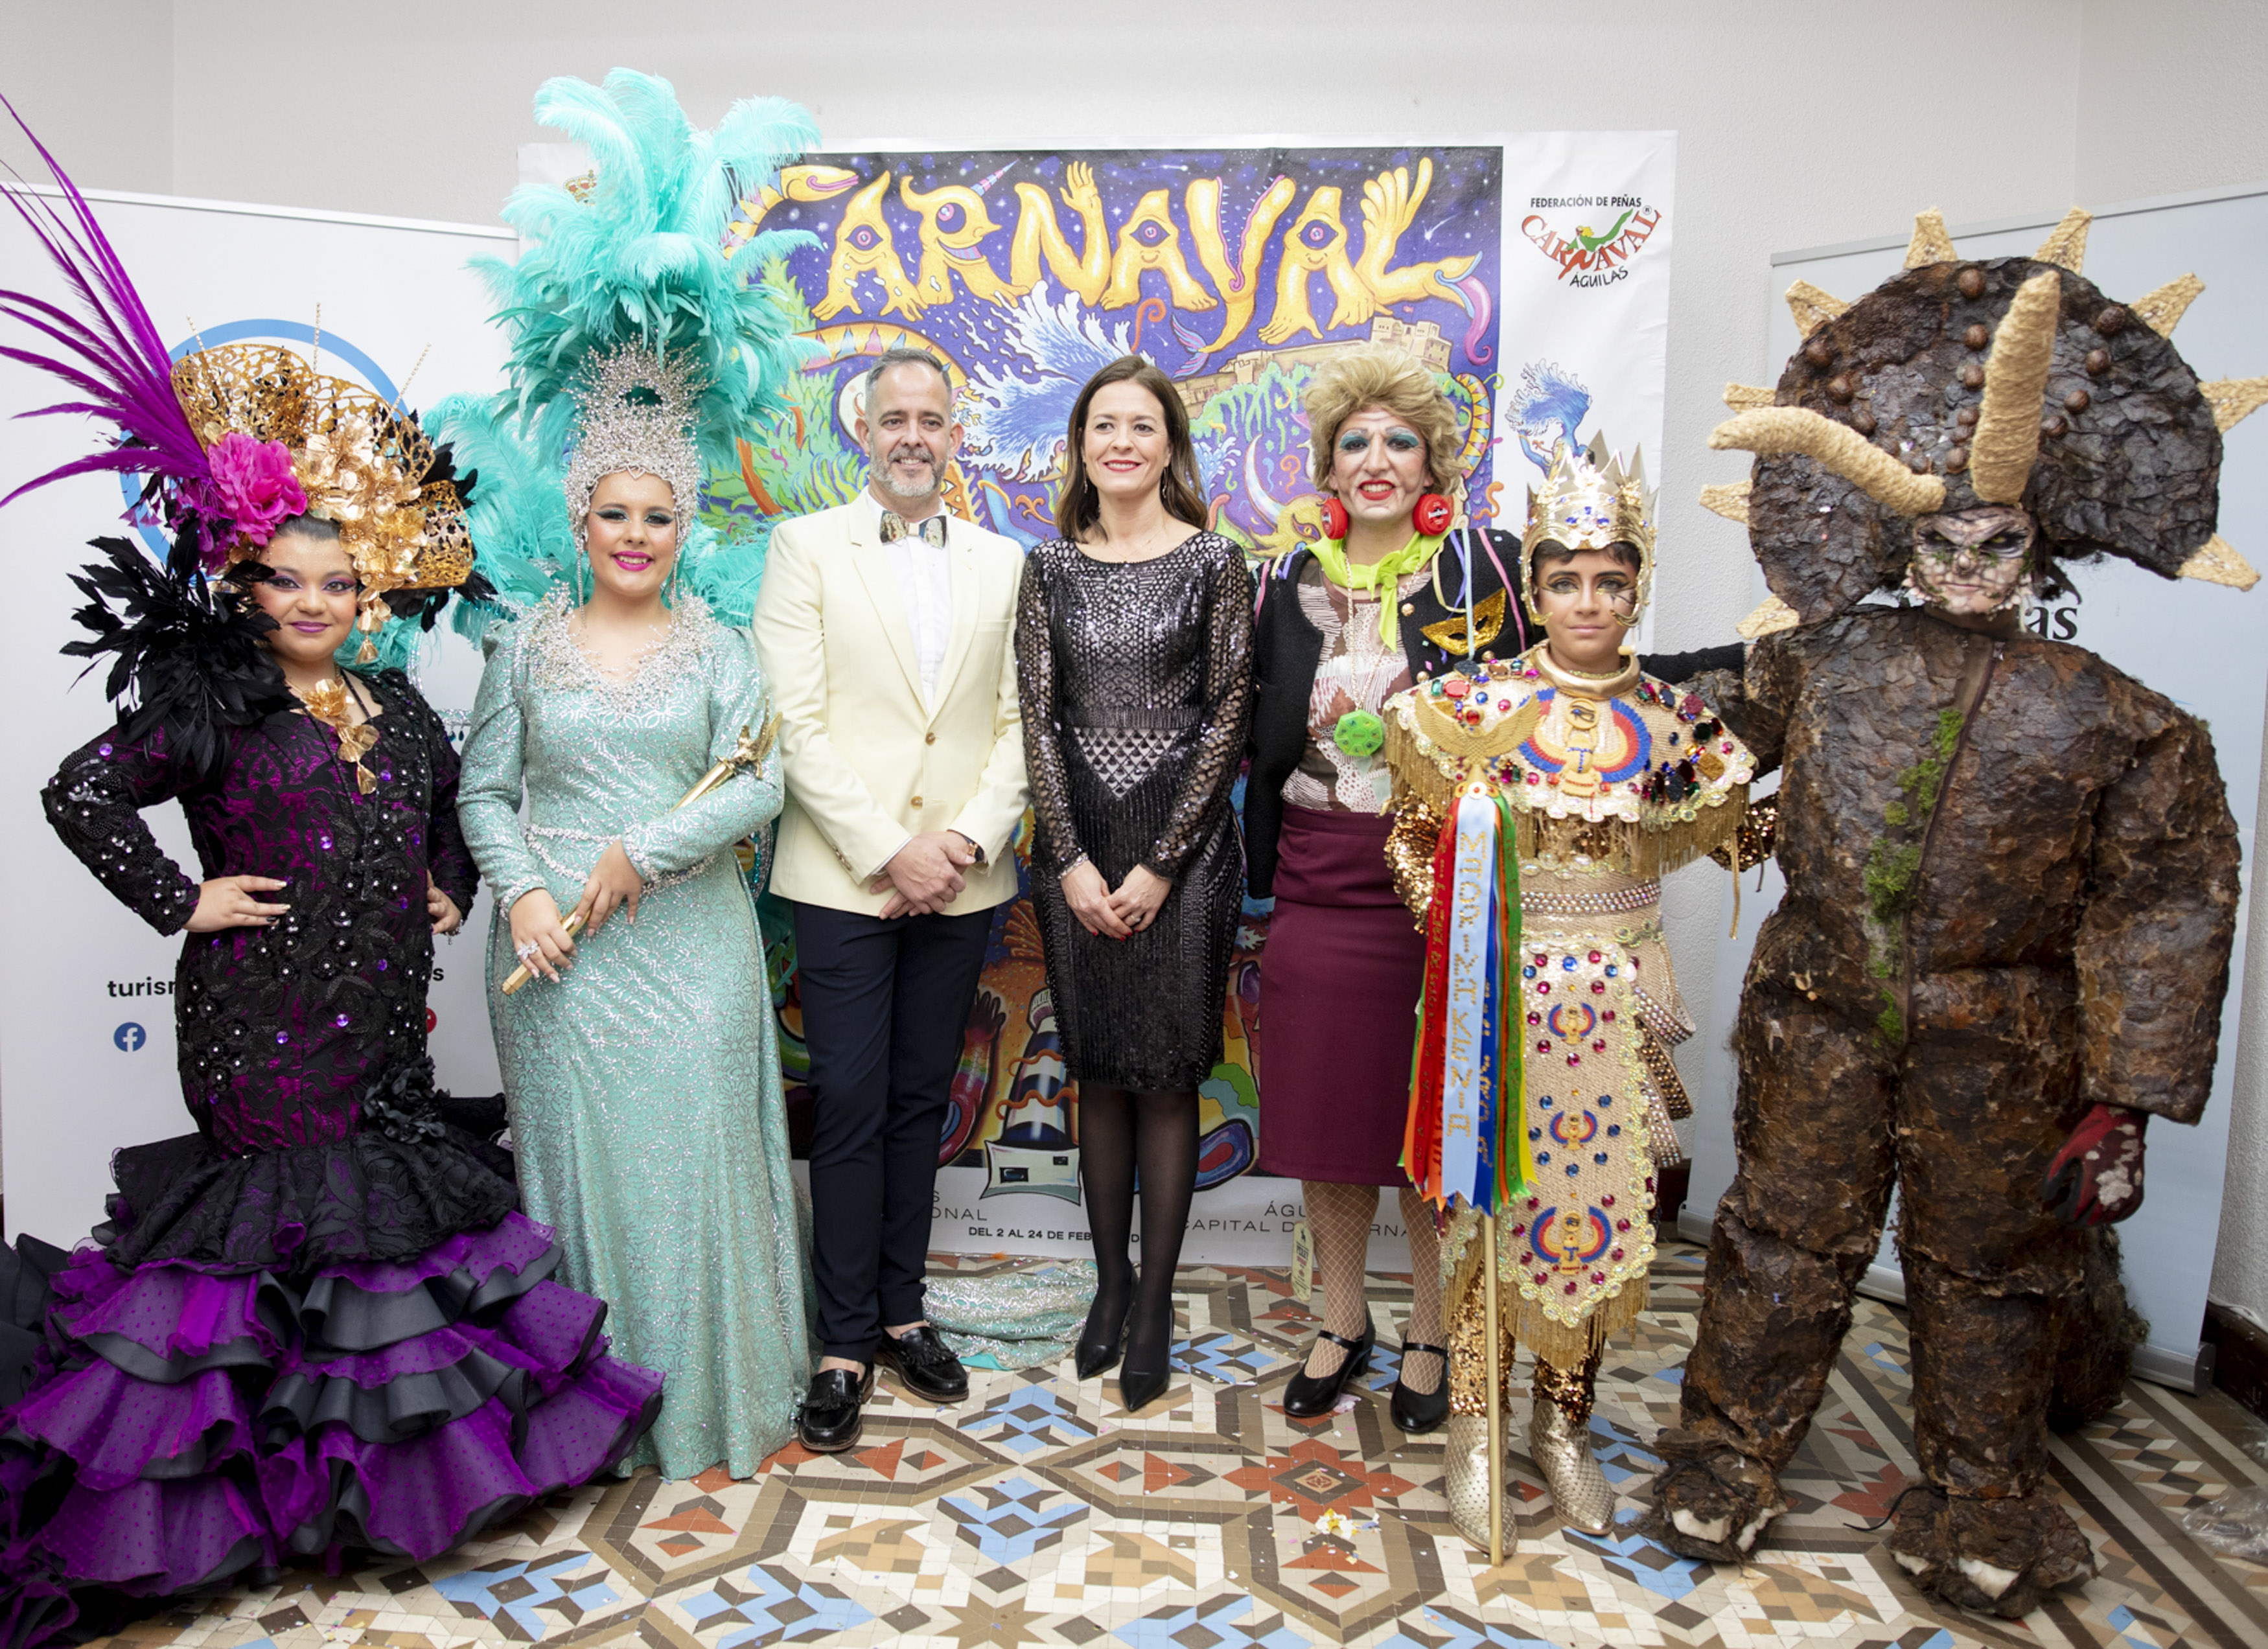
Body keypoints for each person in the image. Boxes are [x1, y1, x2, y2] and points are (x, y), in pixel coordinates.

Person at [0, 125, 658, 1637]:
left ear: (367, 596)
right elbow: (80, 790)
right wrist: (180, 899)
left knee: (381, 1238)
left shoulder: (400, 703)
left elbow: (448, 808)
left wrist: (447, 886)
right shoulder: (209, 702)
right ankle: (253, 1503)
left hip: (377, 1017)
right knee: (280, 1242)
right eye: (287, 581)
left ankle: (388, 1488)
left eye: (338, 583)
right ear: (247, 588)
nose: (314, 601)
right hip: (256, 1022)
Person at [1649, 214, 2251, 1618]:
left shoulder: (2118, 718)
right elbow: (1678, 732)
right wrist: (1538, 700)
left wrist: (2124, 1098)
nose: (1972, 559)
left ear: (2041, 543)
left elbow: (2165, 902)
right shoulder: (1818, 663)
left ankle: (1985, 1492)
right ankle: (1725, 1453)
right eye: (1944, 535)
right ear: (1900, 538)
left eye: (1999, 536)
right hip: (1817, 1014)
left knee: (1989, 1264)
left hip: (2005, 1037)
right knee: (1779, 1236)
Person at [1245, 348, 1742, 1440]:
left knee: (1434, 1115)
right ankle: (1340, 1319)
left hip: (1446, 891)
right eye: (1355, 441)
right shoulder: (1282, 583)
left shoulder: (1484, 572)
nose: (1377, 459)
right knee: (1327, 1121)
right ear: (1329, 463)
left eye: (1400, 440)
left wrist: (1748, 665)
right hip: (1314, 882)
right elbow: (1250, 729)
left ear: (1434, 460)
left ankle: (1432, 1328)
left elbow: (1585, 673)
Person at [445, 71, 818, 1480]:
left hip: (689, 943)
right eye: (615, 511)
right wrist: (531, 894)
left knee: (699, 1164)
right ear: (581, 515)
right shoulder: (525, 641)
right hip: (555, 956)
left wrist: (641, 852)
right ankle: (587, 1430)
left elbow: (759, 783)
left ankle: (719, 1405)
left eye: (661, 514)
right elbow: (483, 791)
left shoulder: (720, 645)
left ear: (682, 520)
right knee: (581, 1179)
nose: (638, 535)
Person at [1379, 434, 1757, 1543]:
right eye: (1565, 580)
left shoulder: (1680, 722)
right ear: (1534, 588)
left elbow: (1724, 832)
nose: (1588, 601)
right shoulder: (1472, 704)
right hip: (1494, 1005)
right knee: (1479, 1219)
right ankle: (1473, 1428)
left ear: (1639, 585)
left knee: (1596, 1218)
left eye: (1611, 580)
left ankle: (1563, 1424)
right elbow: (1407, 838)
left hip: (1622, 1005)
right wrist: (1464, 930)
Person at [753, 347, 1031, 1451]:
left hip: (963, 876)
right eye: (893, 418)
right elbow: (793, 721)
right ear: (863, 431)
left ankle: (903, 1311)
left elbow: (1021, 722)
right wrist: (888, 849)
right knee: (852, 1099)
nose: (913, 434)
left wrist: (959, 841)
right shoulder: (804, 548)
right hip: (845, 876)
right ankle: (841, 1343)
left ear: (956, 434)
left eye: (932, 418)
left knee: (923, 1097)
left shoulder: (1007, 562)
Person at [1015, 355, 1255, 1412]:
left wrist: (1161, 862)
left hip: (1185, 863)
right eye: (1103, 425)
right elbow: (1037, 719)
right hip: (1076, 861)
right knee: (1099, 1076)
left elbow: (1229, 711)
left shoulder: (1215, 562)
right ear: (1081, 445)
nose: (1121, 442)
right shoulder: (1048, 570)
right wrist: (1069, 858)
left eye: (1141, 426)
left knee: (1164, 1079)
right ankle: (1108, 1286)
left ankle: (1154, 1303)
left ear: (1170, 446)